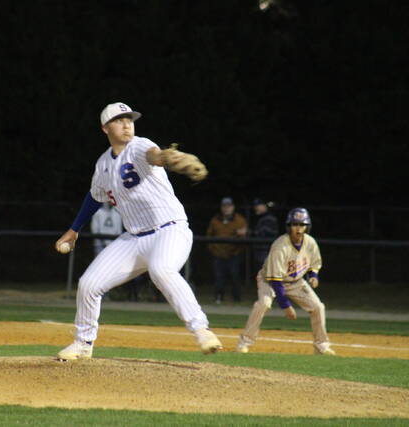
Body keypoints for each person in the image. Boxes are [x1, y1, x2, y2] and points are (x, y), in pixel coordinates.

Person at [54, 102, 222, 360]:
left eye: (129, 119)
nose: (126, 124)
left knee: (161, 270)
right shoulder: (103, 165)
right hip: (133, 238)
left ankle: (202, 330)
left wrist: (168, 157)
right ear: (105, 128)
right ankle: (83, 343)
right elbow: (94, 197)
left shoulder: (139, 145)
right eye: (119, 120)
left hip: (170, 229)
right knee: (88, 284)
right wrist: (73, 230)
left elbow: (155, 155)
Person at [236, 207, 336, 355]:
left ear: (307, 227)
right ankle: (244, 342)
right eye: (295, 224)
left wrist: (314, 276)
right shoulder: (280, 246)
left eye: (302, 225)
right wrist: (285, 305)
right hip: (269, 281)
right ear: (289, 227)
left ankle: (321, 346)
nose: (299, 228)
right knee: (263, 303)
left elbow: (315, 263)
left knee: (318, 307)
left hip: (296, 281)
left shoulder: (310, 242)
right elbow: (276, 281)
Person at [206, 197, 247, 303]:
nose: (226, 209)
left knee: (235, 276)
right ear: (221, 208)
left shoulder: (240, 220)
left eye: (228, 206)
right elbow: (209, 236)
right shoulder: (215, 220)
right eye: (224, 206)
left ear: (233, 207)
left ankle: (237, 299)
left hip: (234, 254)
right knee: (219, 277)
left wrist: (239, 248)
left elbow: (244, 236)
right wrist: (213, 250)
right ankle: (218, 297)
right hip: (218, 254)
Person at [251, 198, 279, 275]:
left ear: (264, 206)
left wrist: (248, 232)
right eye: (255, 206)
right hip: (261, 251)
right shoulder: (261, 218)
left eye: (259, 205)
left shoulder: (269, 218)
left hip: (266, 251)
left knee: (267, 275)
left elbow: (263, 234)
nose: (256, 207)